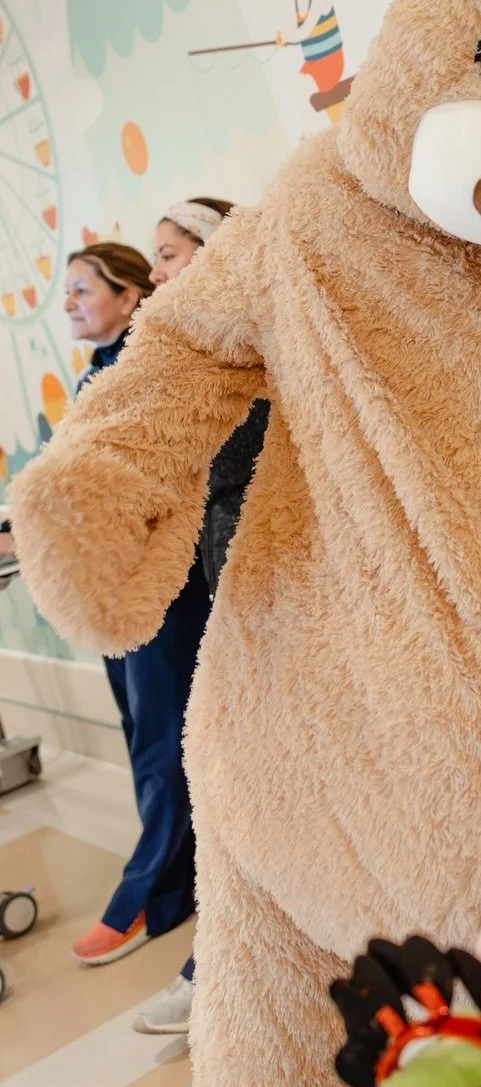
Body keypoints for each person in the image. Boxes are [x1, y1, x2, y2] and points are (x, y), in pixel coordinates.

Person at [134, 198, 270, 1037]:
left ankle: (216, 972)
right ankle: (218, 969)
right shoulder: (195, 355)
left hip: (279, 601)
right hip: (234, 602)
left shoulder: (254, 354)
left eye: (169, 253)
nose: (155, 273)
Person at [63, 243, 211, 967]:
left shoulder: (150, 367)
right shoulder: (95, 371)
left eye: (83, 289)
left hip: (161, 588)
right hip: (111, 584)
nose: (69, 303)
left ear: (128, 298)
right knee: (142, 737)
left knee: (161, 744)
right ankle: (178, 881)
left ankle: (149, 898)